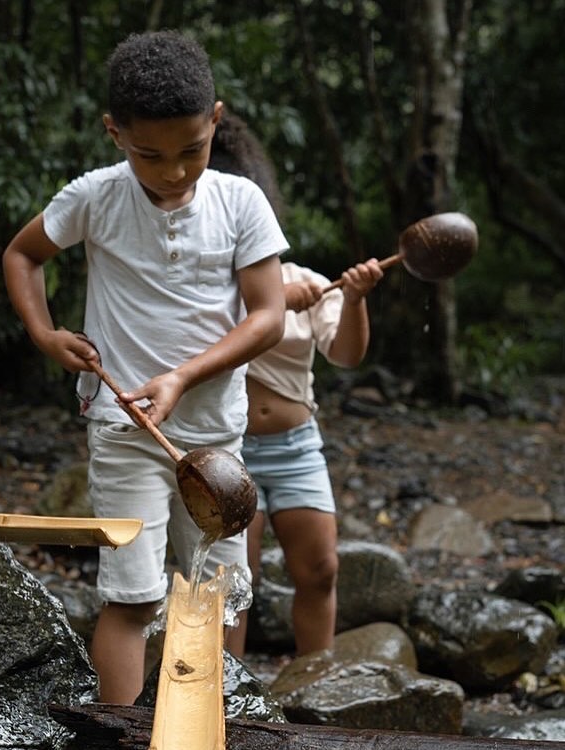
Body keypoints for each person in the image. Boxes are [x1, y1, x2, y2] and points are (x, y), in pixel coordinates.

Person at [2, 31, 288, 704]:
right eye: (148, 154)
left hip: (215, 435)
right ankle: (121, 734)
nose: (173, 171)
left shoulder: (240, 203)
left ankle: (205, 728)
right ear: (114, 133)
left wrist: (184, 376)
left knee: (214, 595)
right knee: (131, 597)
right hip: (125, 428)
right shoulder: (94, 198)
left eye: (192, 149)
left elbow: (269, 315)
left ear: (215, 120)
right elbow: (23, 255)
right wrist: (46, 334)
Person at [209, 112, 383, 657]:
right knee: (235, 581)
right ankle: (227, 697)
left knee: (322, 569)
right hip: (229, 446)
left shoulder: (307, 281)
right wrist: (276, 303)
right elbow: (211, 332)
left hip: (295, 446)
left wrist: (352, 299)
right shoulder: (206, 288)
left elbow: (347, 355)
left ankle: (318, 681)